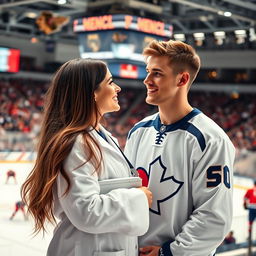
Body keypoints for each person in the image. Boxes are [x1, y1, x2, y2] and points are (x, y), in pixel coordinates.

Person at [21, 58, 152, 256]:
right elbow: (86, 211)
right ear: (92, 93)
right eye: (109, 82)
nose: (117, 88)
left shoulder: (102, 136)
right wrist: (138, 197)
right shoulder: (76, 144)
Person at [124, 40, 236, 256]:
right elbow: (124, 194)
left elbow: (214, 218)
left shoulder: (211, 139)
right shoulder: (138, 131)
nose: (147, 80)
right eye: (148, 72)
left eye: (157, 73)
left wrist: (168, 252)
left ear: (182, 79)